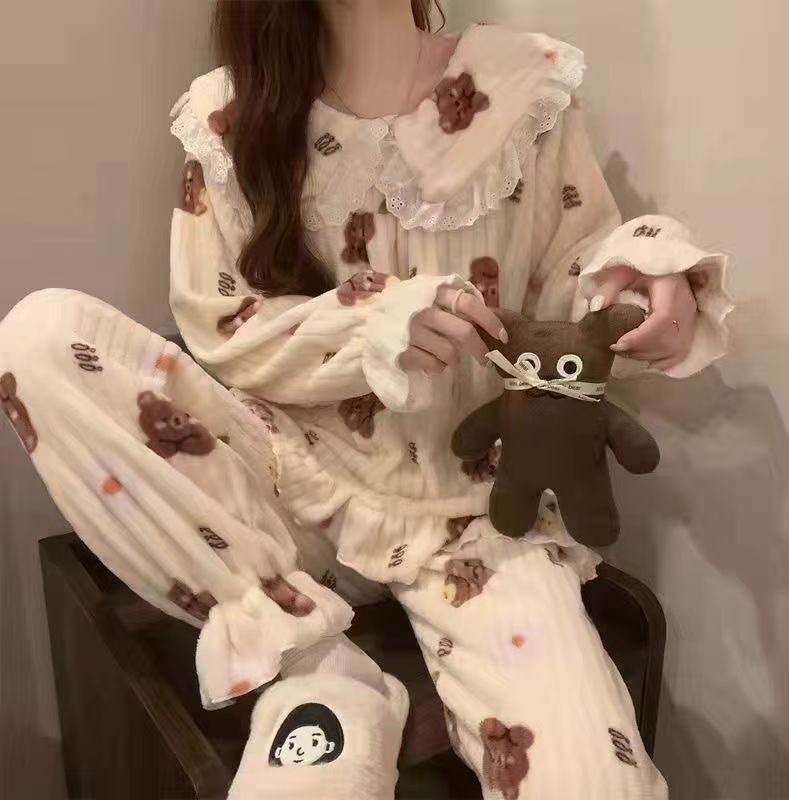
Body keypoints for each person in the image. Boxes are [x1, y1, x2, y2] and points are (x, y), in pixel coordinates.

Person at [0, 1, 732, 797]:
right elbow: (225, 331)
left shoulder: (525, 88)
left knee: (595, 782)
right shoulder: (227, 114)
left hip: (476, 516)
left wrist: (645, 283)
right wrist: (370, 323)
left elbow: (572, 289)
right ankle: (318, 665)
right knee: (38, 338)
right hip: (288, 485)